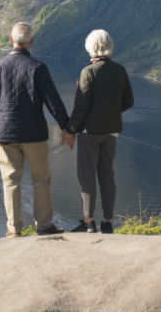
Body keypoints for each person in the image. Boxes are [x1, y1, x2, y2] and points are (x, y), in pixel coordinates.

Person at [0, 21, 73, 237]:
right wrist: (67, 128)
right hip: (34, 135)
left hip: (5, 134)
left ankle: (14, 229)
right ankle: (43, 226)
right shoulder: (38, 67)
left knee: (11, 181)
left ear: (11, 40)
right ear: (31, 41)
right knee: (41, 179)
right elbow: (54, 103)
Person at [63, 29, 134, 234]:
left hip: (89, 132)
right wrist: (111, 112)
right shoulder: (119, 70)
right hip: (111, 131)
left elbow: (81, 107)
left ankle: (89, 222)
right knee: (107, 174)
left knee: (87, 175)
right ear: (109, 46)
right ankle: (108, 222)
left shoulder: (88, 72)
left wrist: (70, 129)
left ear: (90, 48)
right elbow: (128, 101)